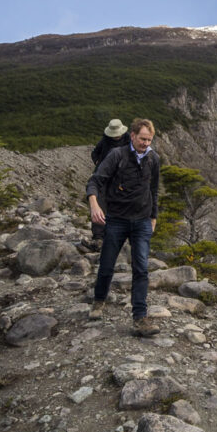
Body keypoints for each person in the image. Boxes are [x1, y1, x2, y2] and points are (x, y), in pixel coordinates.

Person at [85, 118, 161, 337]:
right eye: (143, 139)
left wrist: (153, 218)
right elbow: (95, 181)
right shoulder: (117, 155)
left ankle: (140, 318)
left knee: (141, 269)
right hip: (117, 219)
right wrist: (94, 204)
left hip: (142, 221)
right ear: (132, 136)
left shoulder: (153, 159)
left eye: (149, 140)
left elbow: (153, 190)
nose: (146, 143)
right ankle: (99, 301)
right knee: (107, 265)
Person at [88, 119, 131, 246]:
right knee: (100, 202)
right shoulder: (105, 140)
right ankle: (98, 236)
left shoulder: (129, 140)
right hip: (104, 174)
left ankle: (119, 235)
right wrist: (98, 163)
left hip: (120, 176)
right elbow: (95, 152)